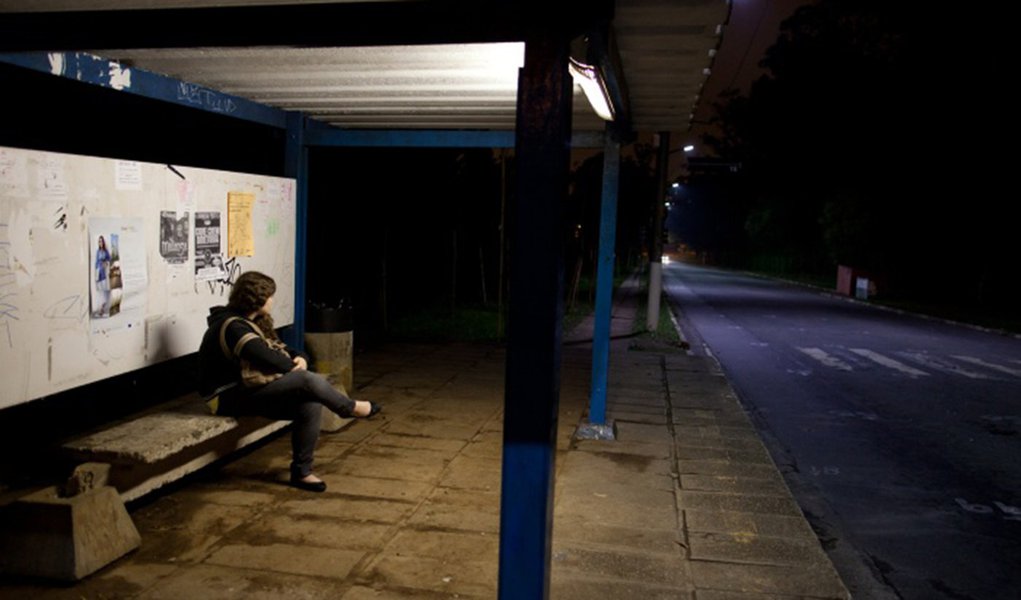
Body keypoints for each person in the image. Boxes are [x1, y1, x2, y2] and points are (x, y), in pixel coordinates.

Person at [198, 271, 380, 492]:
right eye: (270, 296)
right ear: (257, 299)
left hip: (246, 391)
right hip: (224, 397)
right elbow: (264, 356)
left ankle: (302, 472)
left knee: (309, 403)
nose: (272, 301)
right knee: (304, 379)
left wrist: (300, 358)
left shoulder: (252, 322)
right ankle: (347, 407)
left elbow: (286, 350)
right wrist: (293, 367)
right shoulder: (232, 326)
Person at [94, 235, 111, 316]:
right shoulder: (98, 251)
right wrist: (95, 273)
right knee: (100, 291)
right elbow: (96, 262)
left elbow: (109, 258)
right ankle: (101, 310)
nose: (100, 243)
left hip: (104, 273)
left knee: (104, 290)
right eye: (99, 241)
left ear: (103, 242)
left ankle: (103, 308)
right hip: (98, 272)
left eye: (101, 241)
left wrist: (106, 263)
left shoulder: (105, 251)